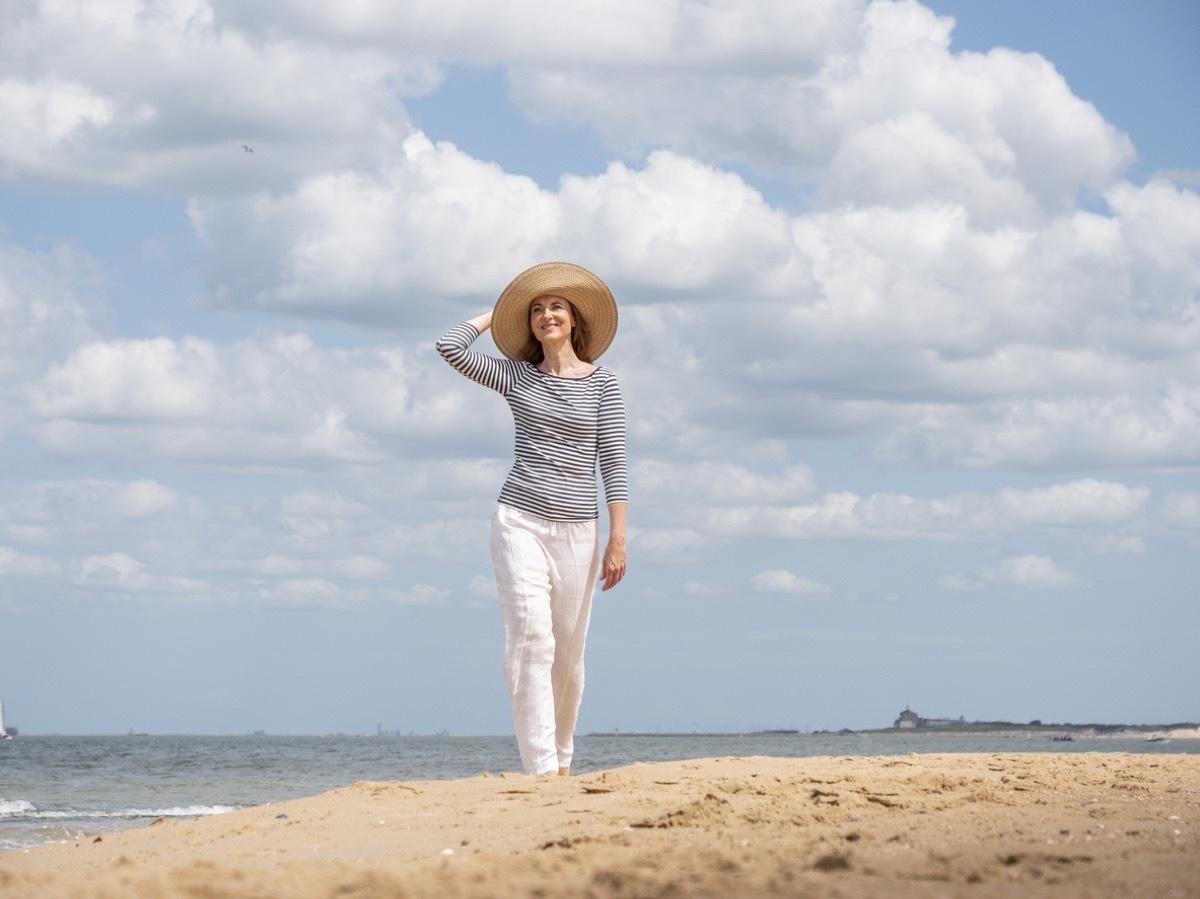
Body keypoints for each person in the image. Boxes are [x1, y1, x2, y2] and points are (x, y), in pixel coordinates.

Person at [436, 261, 628, 776]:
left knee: (567, 655)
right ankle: (541, 768)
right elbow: (449, 347)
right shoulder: (516, 376)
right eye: (537, 309)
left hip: (579, 532)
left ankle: (562, 760)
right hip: (518, 518)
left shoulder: (603, 384)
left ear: (575, 320)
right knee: (530, 638)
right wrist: (496, 314)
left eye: (556, 307)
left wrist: (618, 539)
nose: (546, 315)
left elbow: (613, 460)